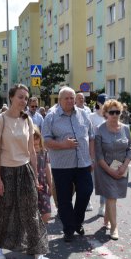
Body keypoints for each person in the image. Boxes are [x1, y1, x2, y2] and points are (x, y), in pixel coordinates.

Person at [0, 84, 52, 259]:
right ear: (11, 98)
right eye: (20, 97)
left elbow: (31, 151)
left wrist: (34, 176)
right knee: (1, 210)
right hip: (5, 170)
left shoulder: (27, 120)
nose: (24, 101)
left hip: (24, 170)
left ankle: (39, 255)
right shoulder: (0, 120)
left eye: (26, 98)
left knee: (31, 211)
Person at [43, 86, 95, 242]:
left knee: (86, 191)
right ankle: (68, 229)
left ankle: (77, 221)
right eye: (66, 98)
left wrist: (92, 158)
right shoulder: (51, 117)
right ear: (59, 100)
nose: (70, 101)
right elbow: (45, 141)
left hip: (83, 163)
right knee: (64, 199)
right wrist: (63, 145)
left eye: (72, 98)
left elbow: (91, 137)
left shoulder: (84, 115)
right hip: (62, 165)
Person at [94, 99, 131, 240]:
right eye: (112, 112)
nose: (115, 115)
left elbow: (129, 150)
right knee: (111, 196)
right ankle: (114, 228)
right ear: (106, 113)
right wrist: (111, 171)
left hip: (121, 168)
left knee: (113, 197)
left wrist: (124, 166)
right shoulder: (100, 130)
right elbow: (99, 156)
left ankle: (107, 219)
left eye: (118, 112)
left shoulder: (126, 129)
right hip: (105, 169)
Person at [89, 94, 108, 217]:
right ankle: (87, 200)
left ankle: (102, 206)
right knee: (91, 181)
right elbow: (88, 136)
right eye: (104, 103)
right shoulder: (91, 117)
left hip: (107, 153)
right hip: (94, 152)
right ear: (99, 103)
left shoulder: (110, 117)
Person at [33, 126, 53, 224]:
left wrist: (51, 184)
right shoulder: (25, 153)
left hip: (43, 186)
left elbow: (47, 168)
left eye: (36, 137)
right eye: (32, 138)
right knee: (32, 213)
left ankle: (39, 229)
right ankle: (35, 233)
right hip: (30, 186)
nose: (35, 141)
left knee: (46, 213)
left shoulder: (43, 152)